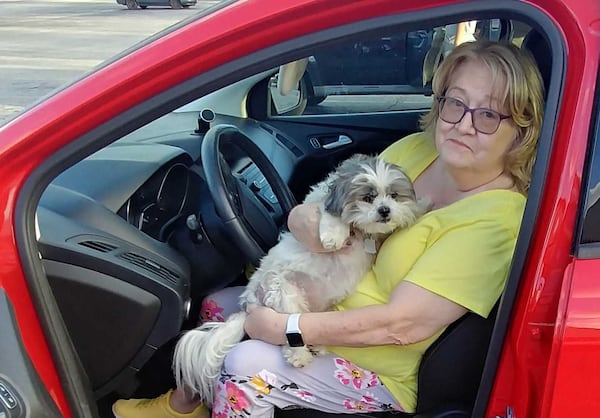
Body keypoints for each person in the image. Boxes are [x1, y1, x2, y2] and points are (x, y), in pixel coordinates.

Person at [112, 39, 545, 418]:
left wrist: (287, 328)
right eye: (455, 102)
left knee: (247, 364)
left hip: (376, 363)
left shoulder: (497, 219)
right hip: (328, 300)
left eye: (489, 114)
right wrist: (306, 225)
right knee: (218, 305)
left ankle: (228, 399)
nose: (463, 124)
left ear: (521, 129)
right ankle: (185, 406)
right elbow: (322, 205)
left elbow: (402, 326)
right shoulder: (419, 150)